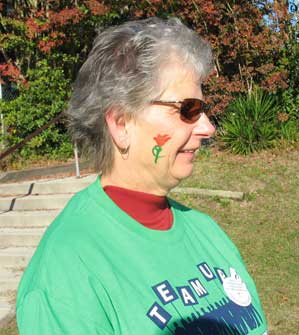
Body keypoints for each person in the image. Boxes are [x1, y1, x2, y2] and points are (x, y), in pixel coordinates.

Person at [16, 17, 268, 335]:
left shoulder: (207, 232)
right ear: (122, 124)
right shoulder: (67, 272)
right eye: (188, 110)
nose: (207, 128)